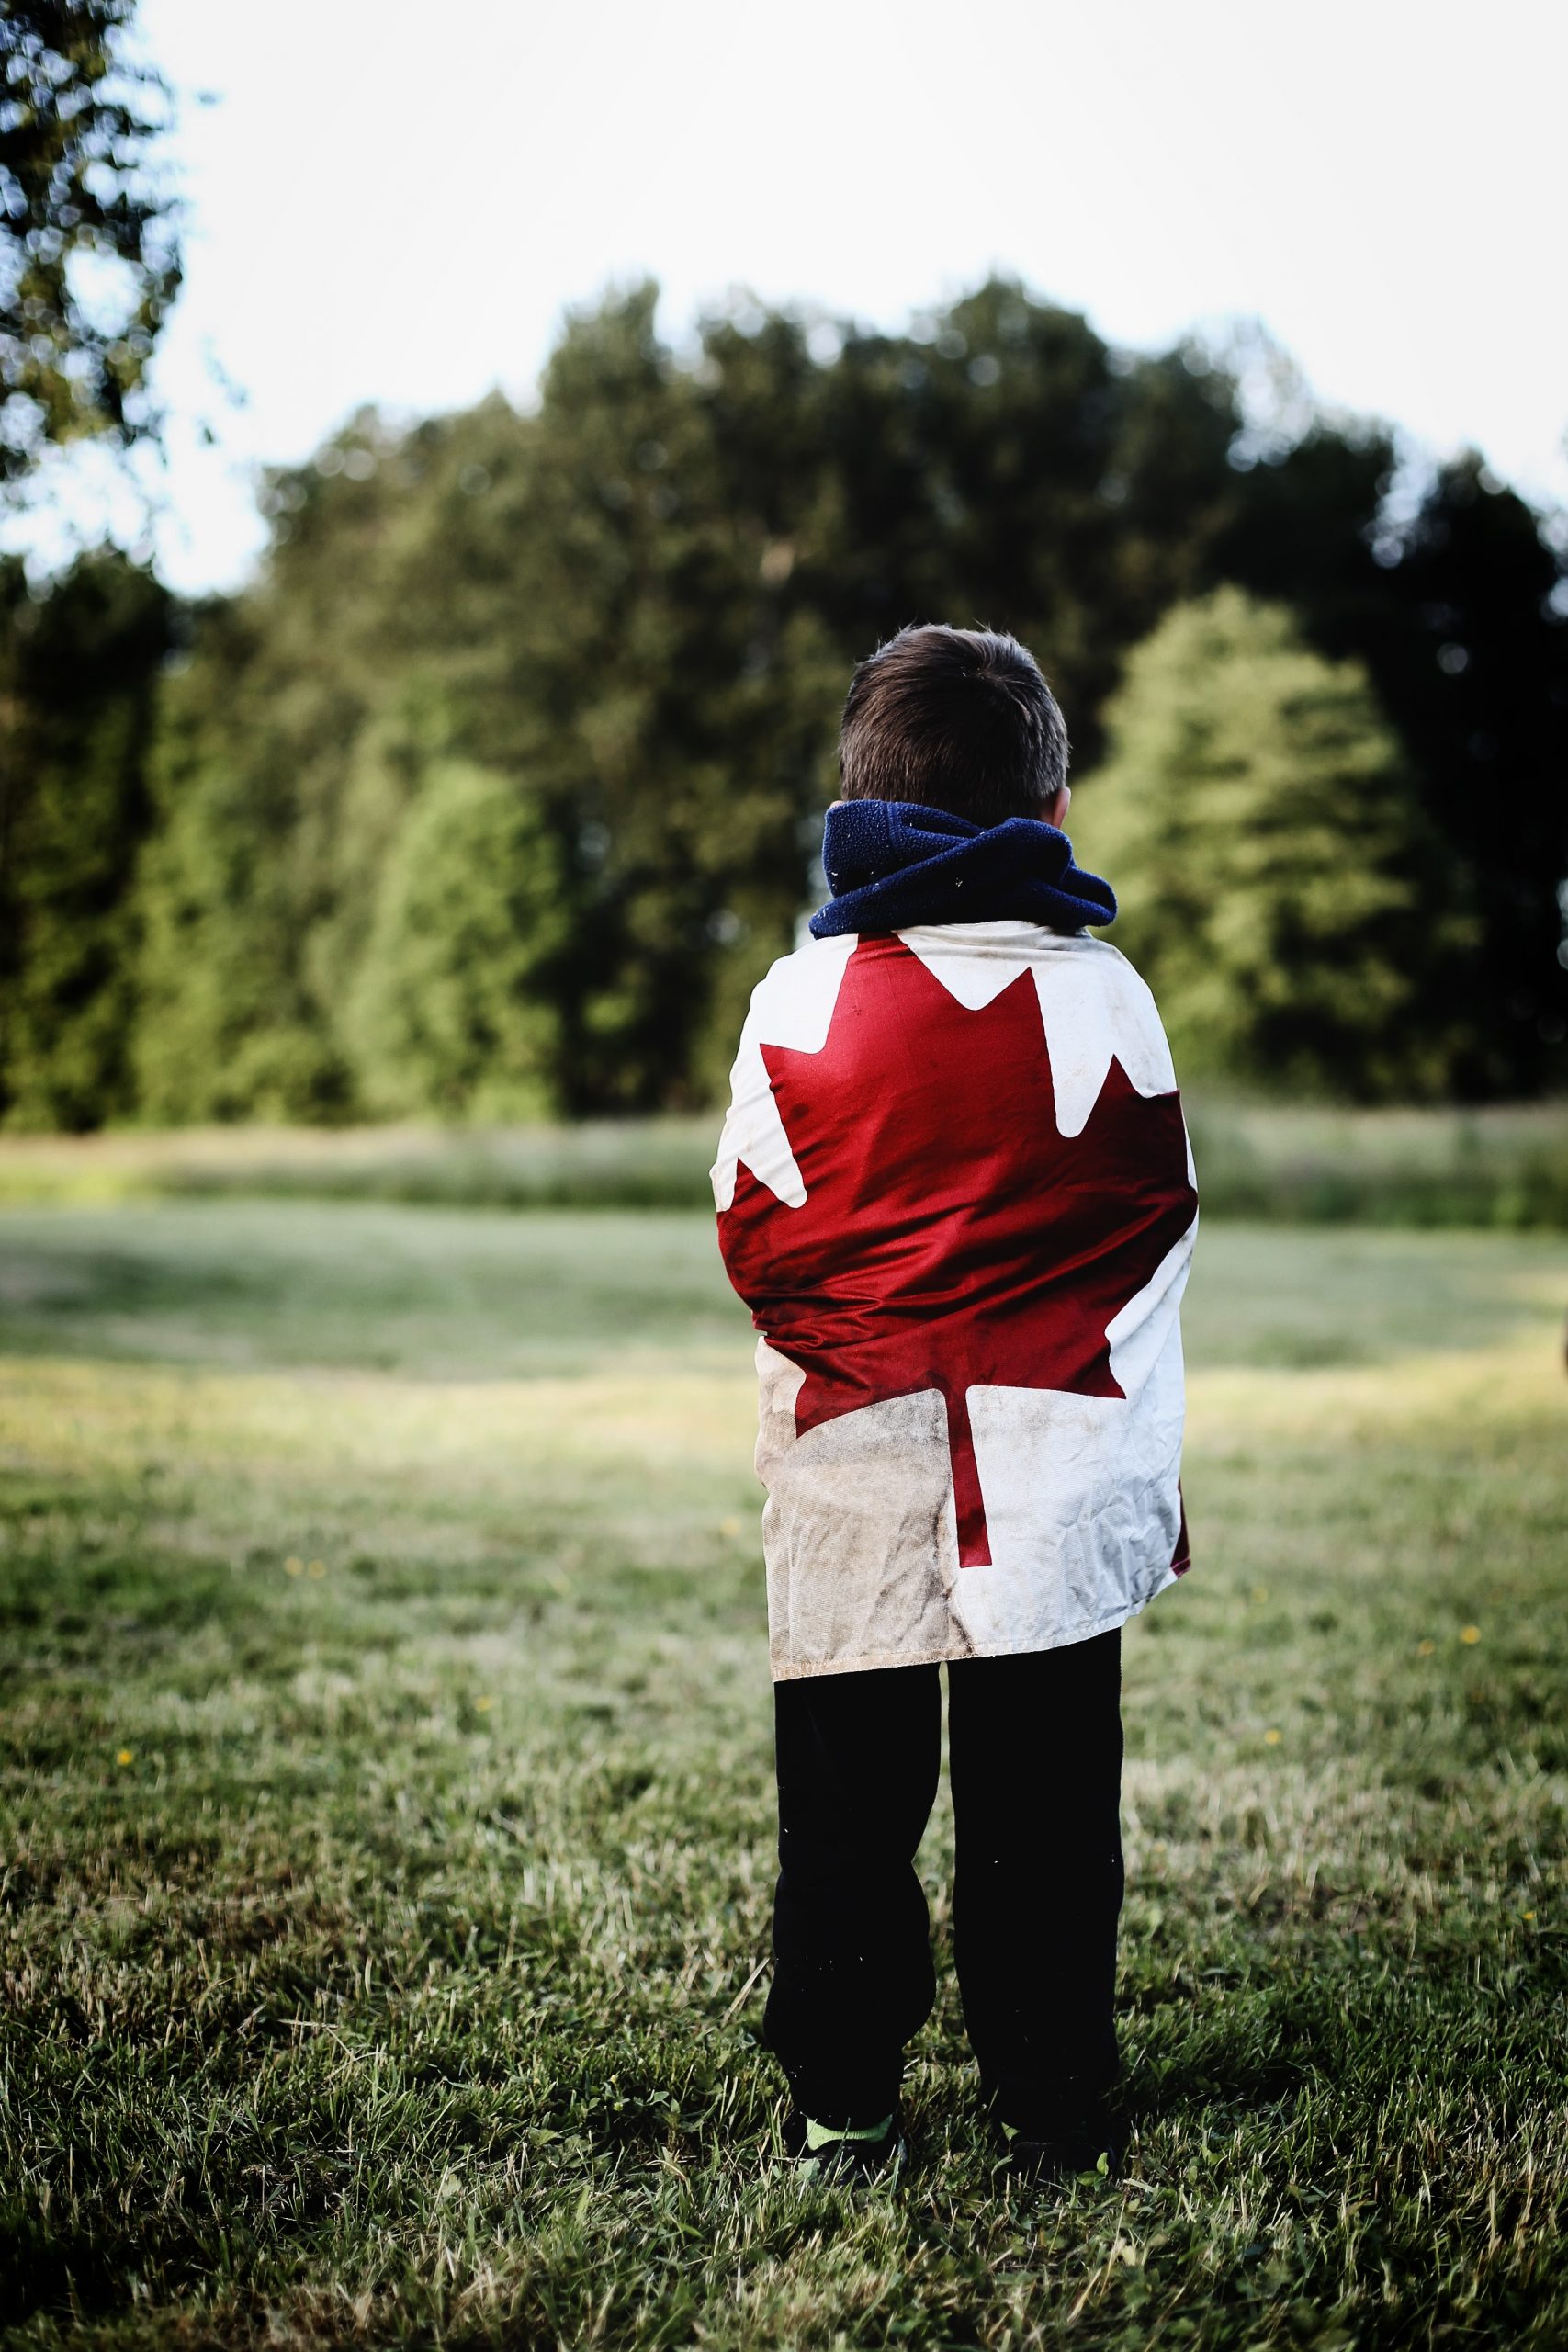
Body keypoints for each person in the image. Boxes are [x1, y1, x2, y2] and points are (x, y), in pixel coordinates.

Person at [711, 624, 1198, 2183]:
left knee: (845, 1808)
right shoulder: (1108, 991)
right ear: (1050, 812)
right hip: (1057, 1464)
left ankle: (846, 2099)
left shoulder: (799, 999)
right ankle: (1052, 2099)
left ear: (862, 798)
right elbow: (1155, 1210)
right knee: (1051, 1809)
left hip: (852, 1459)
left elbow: (753, 1230)